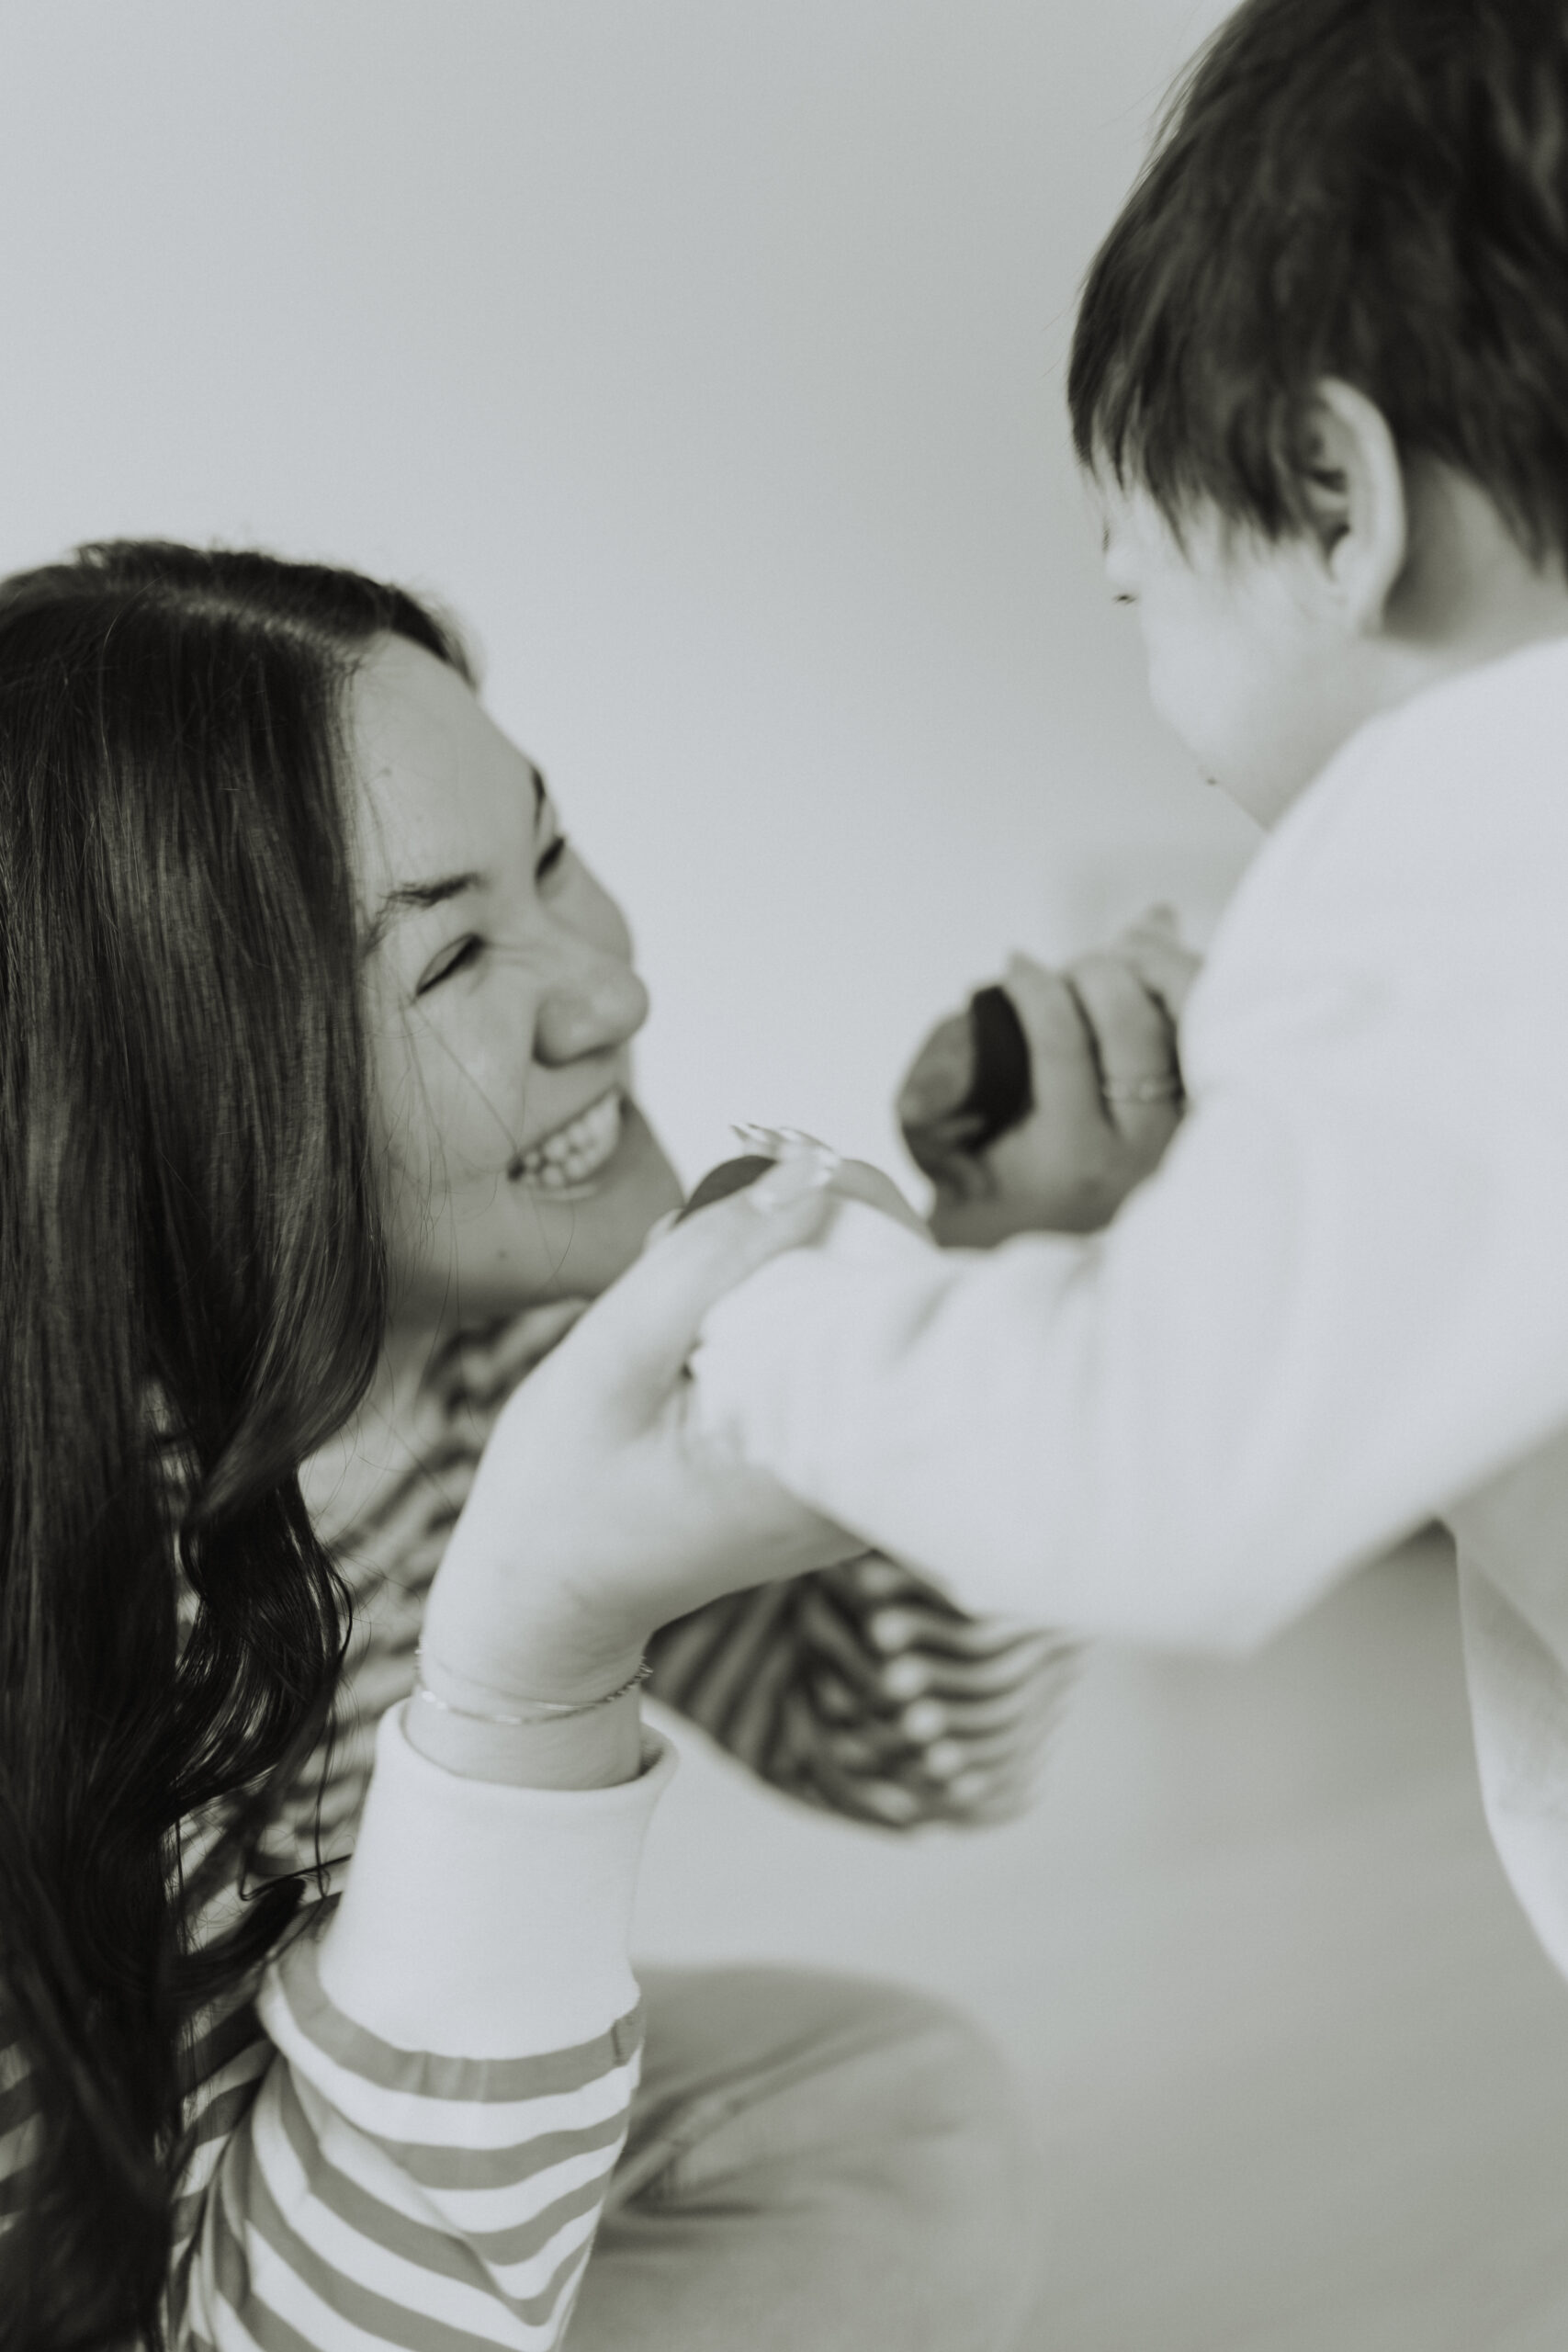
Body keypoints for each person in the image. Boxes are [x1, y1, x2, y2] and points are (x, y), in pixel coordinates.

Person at [0, 544, 1043, 2352]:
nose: (605, 994)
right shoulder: (73, 1572)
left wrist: (993, 1300)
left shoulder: (492, 1348)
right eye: (454, 950)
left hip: (262, 2161)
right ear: (171, 1098)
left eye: (548, 854)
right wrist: (530, 1668)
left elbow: (910, 1748)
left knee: (895, 2109)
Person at [681, 0, 1568, 1990]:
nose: (1158, 708)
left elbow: (1151, 1478)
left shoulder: (1468, 828)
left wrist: (771, 1308)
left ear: (1328, 500)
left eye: (1133, 593)